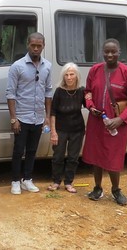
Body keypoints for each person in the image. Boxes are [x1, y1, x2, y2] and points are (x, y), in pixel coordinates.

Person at [83, 38, 127, 206]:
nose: (109, 54)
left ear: (119, 53)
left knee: (113, 156)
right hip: (96, 121)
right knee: (96, 155)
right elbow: (87, 92)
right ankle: (97, 188)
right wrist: (90, 106)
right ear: (102, 52)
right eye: (106, 51)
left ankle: (116, 190)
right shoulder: (94, 70)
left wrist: (120, 119)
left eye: (113, 51)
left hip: (117, 124)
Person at [6, 32, 53, 195]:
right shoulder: (17, 66)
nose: (35, 48)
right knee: (19, 150)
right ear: (28, 45)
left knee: (32, 150)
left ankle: (27, 179)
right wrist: (14, 119)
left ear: (43, 46)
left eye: (39, 46)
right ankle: (15, 181)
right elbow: (10, 93)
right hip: (21, 117)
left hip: (38, 118)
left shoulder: (47, 66)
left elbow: (48, 92)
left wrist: (47, 117)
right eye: (33, 45)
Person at [48, 63, 85, 193]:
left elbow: (90, 106)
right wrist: (53, 132)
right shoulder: (59, 91)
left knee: (73, 158)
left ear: (76, 76)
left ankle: (69, 182)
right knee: (58, 156)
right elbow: (52, 113)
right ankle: (56, 181)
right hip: (60, 129)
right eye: (66, 75)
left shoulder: (82, 91)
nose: (69, 77)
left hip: (77, 130)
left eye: (71, 74)